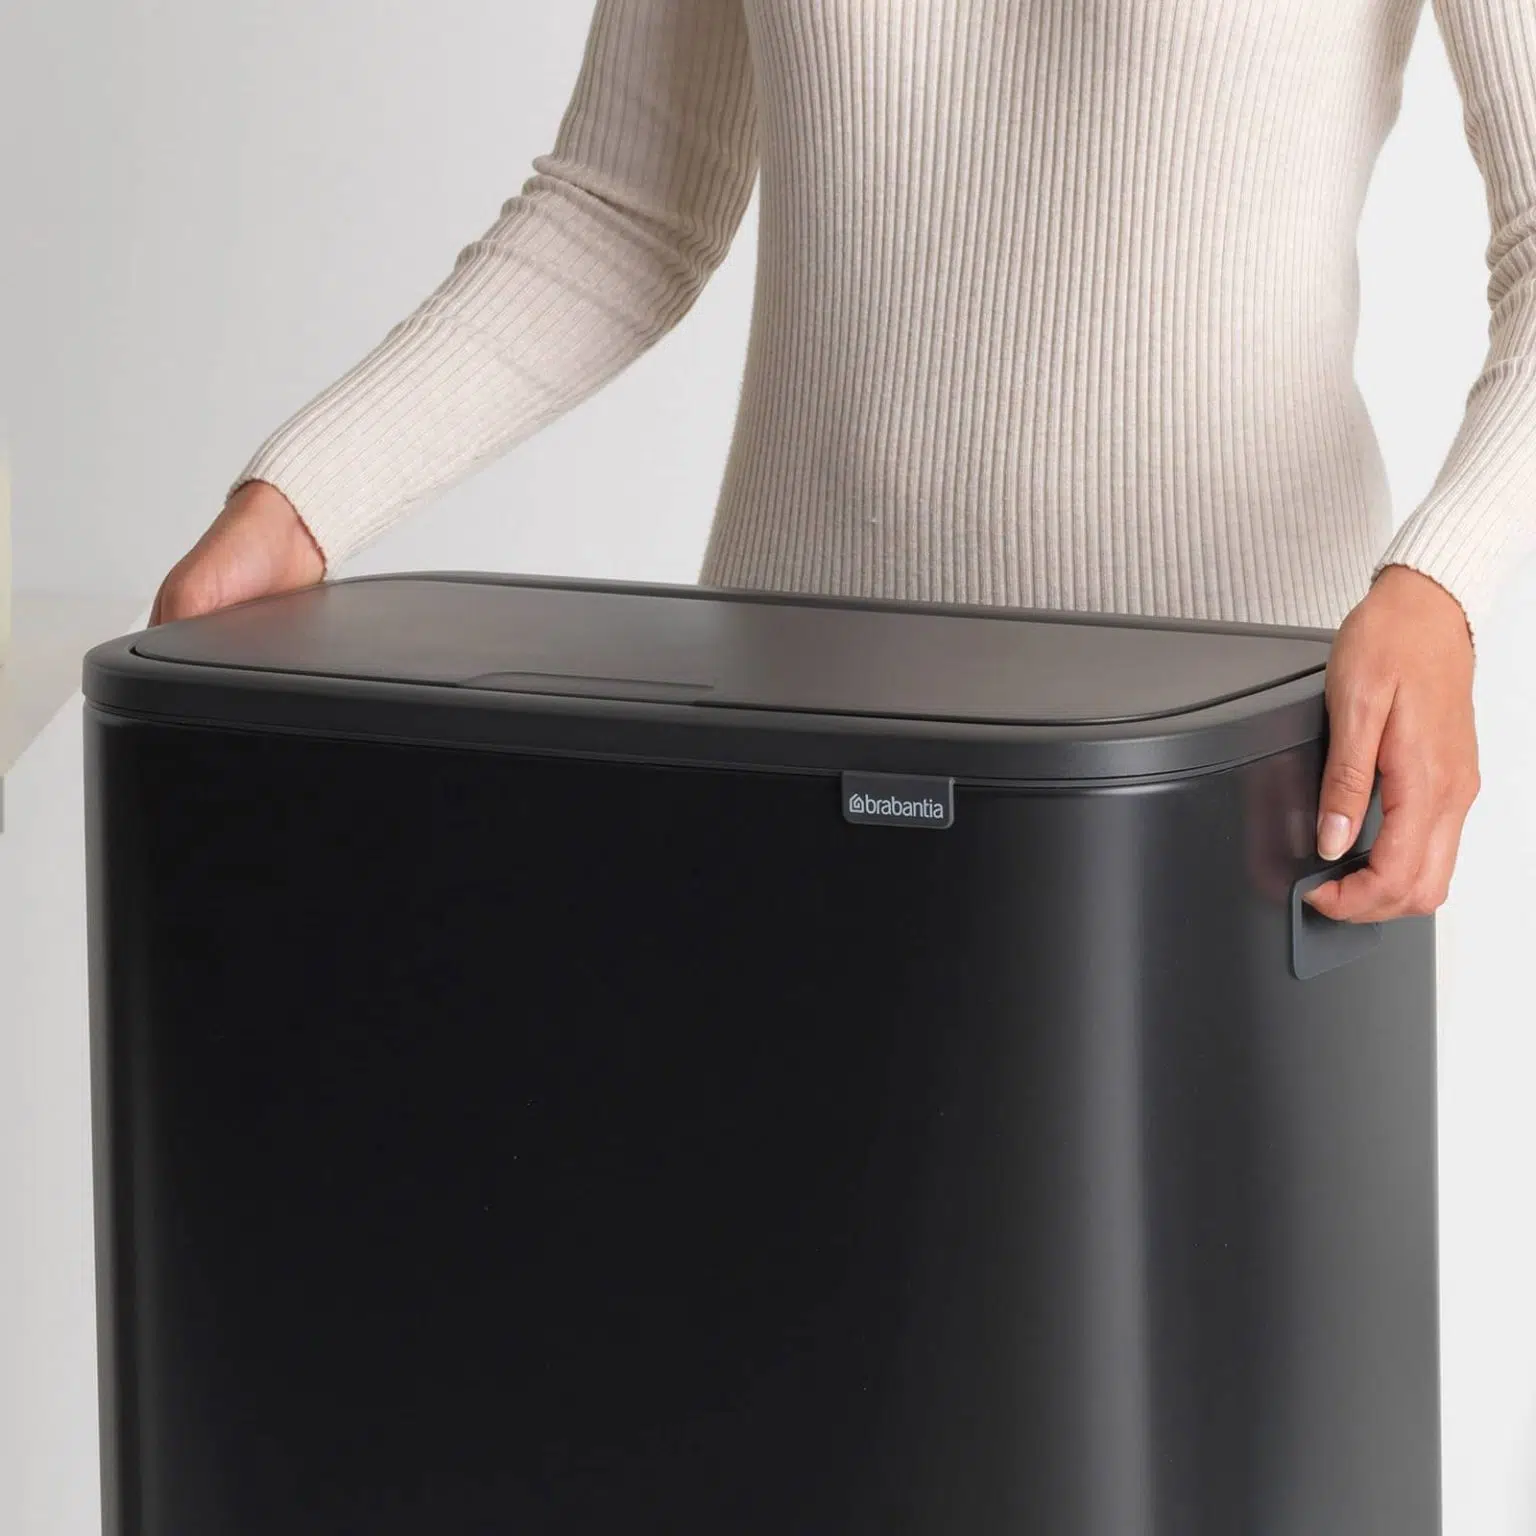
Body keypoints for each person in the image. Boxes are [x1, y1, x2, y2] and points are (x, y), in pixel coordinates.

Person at [153, 0, 1531, 926]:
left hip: (1235, 783)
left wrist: (1441, 585)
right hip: (794, 758)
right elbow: (629, 206)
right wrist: (306, 499)